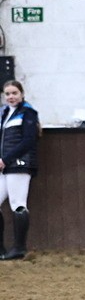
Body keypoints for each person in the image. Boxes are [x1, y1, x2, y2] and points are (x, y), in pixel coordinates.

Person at [0, 80, 39, 259]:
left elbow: (28, 140)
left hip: (19, 164)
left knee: (18, 204)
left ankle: (19, 248)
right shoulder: (5, 113)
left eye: (14, 93)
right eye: (7, 94)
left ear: (22, 94)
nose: (11, 97)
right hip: (4, 165)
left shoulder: (28, 113)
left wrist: (6, 159)